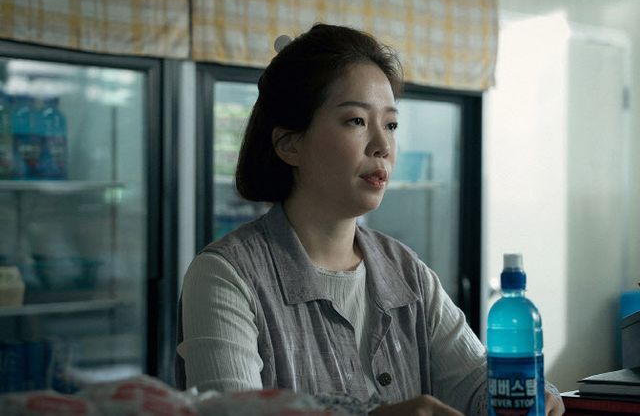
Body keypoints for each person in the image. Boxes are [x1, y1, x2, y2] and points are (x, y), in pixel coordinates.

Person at [176, 23, 565, 415]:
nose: (383, 146)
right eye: (356, 121)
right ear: (289, 144)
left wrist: (533, 395)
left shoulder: (407, 273)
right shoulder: (226, 277)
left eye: (391, 125)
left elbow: (476, 382)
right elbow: (229, 411)